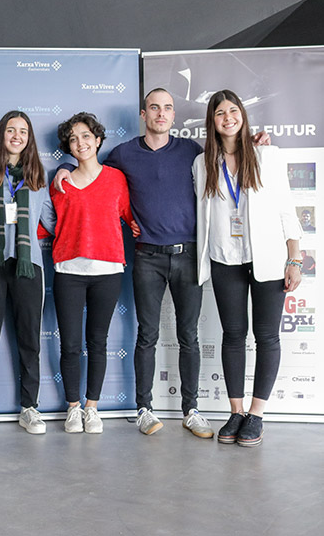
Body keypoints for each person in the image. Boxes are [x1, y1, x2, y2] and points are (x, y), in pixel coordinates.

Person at [53, 88, 266, 438]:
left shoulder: (192, 152)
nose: (161, 113)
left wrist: (256, 143)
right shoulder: (123, 154)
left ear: (173, 115)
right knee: (146, 336)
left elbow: (230, 157)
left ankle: (191, 410)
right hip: (147, 256)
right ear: (144, 114)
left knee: (188, 337)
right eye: (154, 107)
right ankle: (144, 408)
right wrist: (62, 166)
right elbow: (89, 166)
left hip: (188, 254)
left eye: (168, 108)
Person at [193, 89, 302, 446]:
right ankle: (236, 411)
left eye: (233, 110)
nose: (228, 117)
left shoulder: (267, 155)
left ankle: (256, 414)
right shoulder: (202, 163)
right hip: (225, 258)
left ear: (242, 115)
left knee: (267, 336)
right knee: (233, 336)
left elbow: (287, 208)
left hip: (268, 259)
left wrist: (294, 258)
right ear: (212, 121)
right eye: (220, 112)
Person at [0, 111, 55, 437]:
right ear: (1, 134)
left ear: (29, 138)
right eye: (11, 130)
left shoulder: (37, 177)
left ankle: (29, 409)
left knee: (30, 342)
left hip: (28, 266)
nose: (17, 136)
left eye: (23, 131)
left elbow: (52, 222)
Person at [50, 113, 138, 434]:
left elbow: (129, 216)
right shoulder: (61, 182)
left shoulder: (116, 178)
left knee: (97, 341)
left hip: (108, 269)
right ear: (68, 148)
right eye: (73, 139)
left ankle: (92, 407)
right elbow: (47, 224)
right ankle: (72, 407)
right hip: (69, 269)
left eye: (86, 136)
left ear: (98, 140)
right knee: (71, 344)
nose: (80, 143)